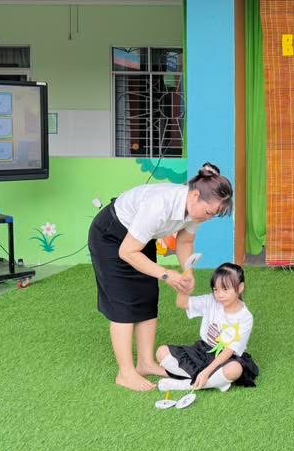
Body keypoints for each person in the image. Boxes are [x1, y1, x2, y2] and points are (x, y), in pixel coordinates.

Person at [88, 162, 233, 392]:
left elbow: (185, 241)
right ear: (195, 195)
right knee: (123, 301)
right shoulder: (159, 205)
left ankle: (145, 363)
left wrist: (187, 271)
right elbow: (127, 252)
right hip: (111, 237)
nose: (208, 218)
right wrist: (167, 275)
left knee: (147, 294)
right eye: (209, 212)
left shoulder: (196, 211)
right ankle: (125, 373)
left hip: (141, 238)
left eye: (213, 215)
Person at [157, 263, 258, 393]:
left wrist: (207, 371)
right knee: (161, 352)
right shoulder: (211, 300)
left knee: (235, 369)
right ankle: (214, 382)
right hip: (203, 350)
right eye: (216, 289)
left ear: (240, 288)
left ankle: (187, 384)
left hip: (226, 357)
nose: (220, 295)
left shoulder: (245, 317)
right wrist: (184, 289)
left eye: (225, 289)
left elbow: (230, 350)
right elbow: (182, 303)